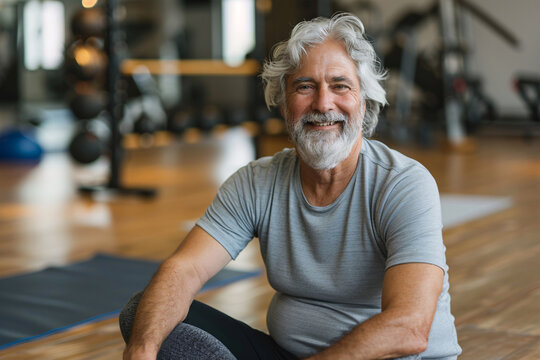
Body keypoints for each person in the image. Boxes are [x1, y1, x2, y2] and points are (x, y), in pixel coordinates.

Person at [120, 13, 462, 360]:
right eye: (305, 86)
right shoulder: (257, 182)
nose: (323, 103)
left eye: (340, 85)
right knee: (145, 315)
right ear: (283, 102)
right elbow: (185, 268)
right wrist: (143, 350)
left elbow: (409, 327)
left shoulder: (402, 184)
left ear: (364, 99)